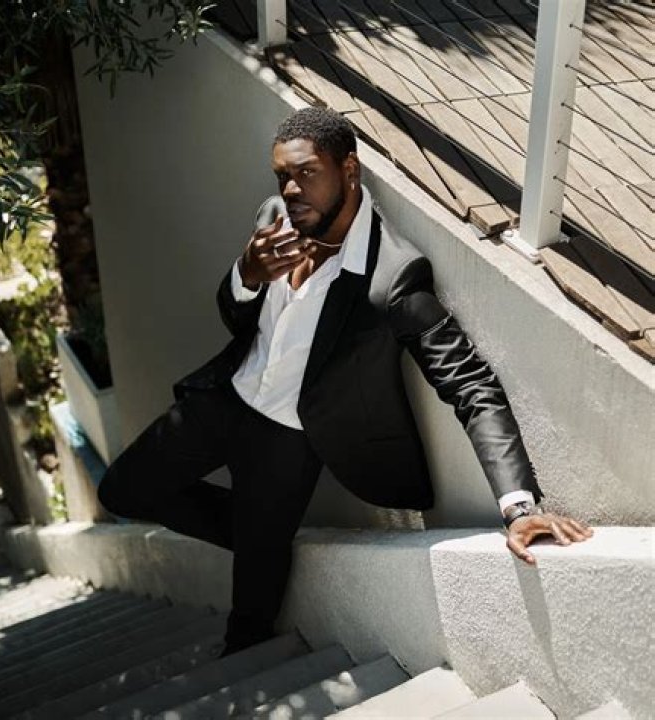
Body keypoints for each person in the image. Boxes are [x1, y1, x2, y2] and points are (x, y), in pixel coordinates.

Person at [98, 107, 592, 656]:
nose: (290, 190)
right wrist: (246, 276)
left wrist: (521, 508)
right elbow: (238, 317)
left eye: (306, 173)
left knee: (248, 631)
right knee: (120, 489)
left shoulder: (391, 278)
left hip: (287, 443)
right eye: (282, 176)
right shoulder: (275, 219)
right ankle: (261, 537)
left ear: (349, 171)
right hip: (223, 400)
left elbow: (470, 384)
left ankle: (264, 544)